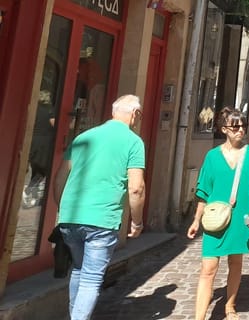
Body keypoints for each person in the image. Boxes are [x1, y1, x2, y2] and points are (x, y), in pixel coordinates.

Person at [52, 94, 146, 320]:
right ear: (135, 114)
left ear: (113, 112)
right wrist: (137, 221)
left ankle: (74, 315)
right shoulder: (133, 142)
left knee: (78, 269)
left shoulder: (84, 137)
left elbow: (60, 178)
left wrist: (62, 209)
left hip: (71, 216)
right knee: (91, 278)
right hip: (102, 219)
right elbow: (136, 188)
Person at [187, 107, 249, 320]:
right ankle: (199, 317)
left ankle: (230, 306)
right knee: (208, 267)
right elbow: (204, 191)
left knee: (235, 262)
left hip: (240, 215)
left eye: (243, 126)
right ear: (224, 129)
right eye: (236, 127)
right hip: (215, 217)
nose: (241, 130)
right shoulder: (212, 157)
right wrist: (196, 220)